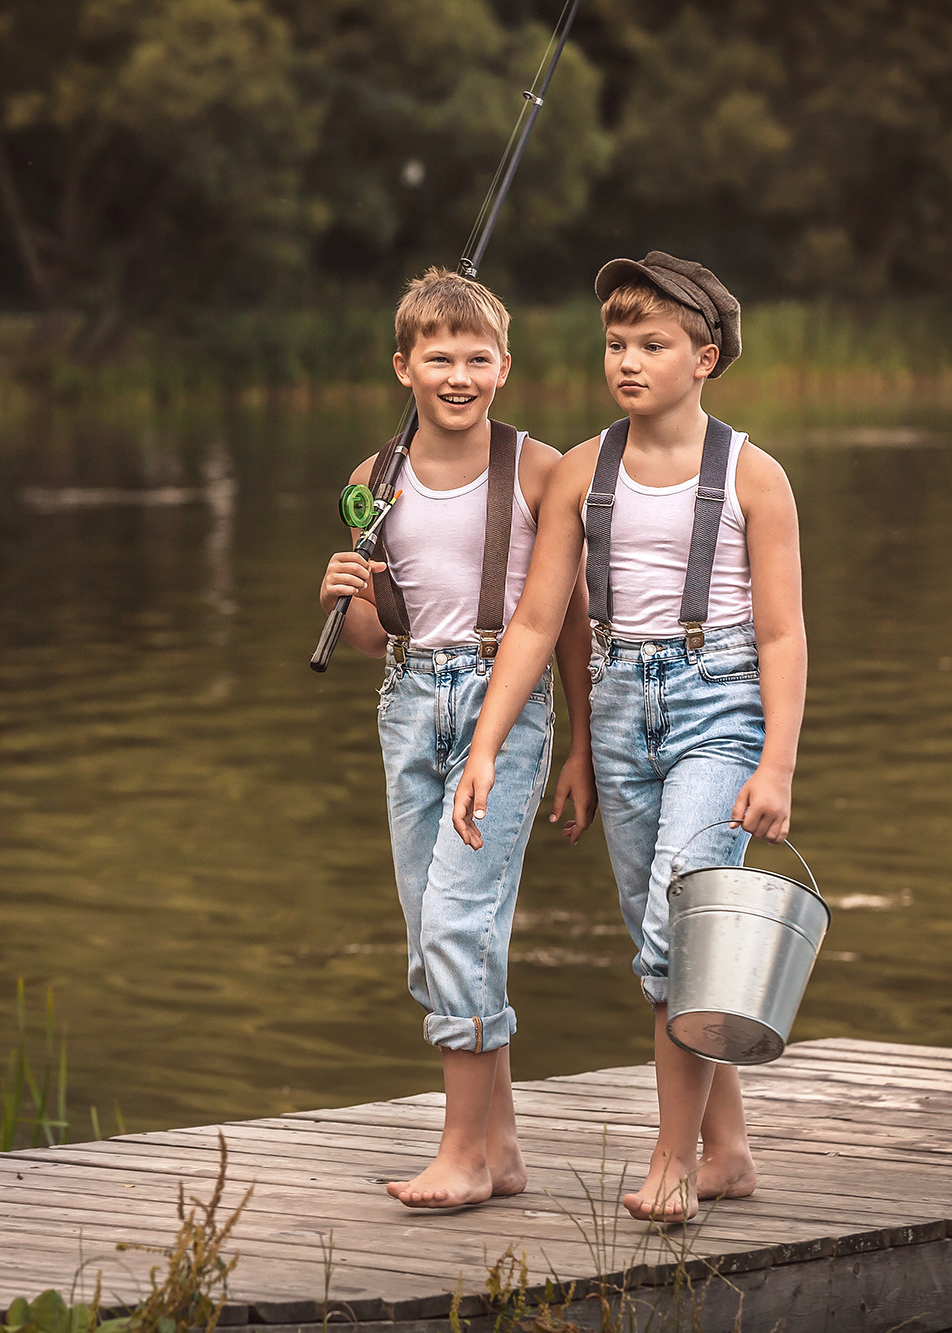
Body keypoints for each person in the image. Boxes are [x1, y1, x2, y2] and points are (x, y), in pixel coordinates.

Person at [450, 252, 807, 1224]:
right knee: (662, 951)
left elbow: (780, 632)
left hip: (719, 710)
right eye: (615, 343)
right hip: (617, 714)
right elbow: (534, 620)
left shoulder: (752, 476)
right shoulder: (579, 471)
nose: (627, 360)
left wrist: (774, 763)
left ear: (705, 357)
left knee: (678, 935)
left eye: (650, 344)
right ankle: (728, 1147)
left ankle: (673, 1161)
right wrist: (491, 744)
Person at [318, 267, 596, 1209]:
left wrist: (582, 745)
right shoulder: (372, 481)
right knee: (430, 934)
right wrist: (345, 597)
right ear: (404, 366)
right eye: (439, 357)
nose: (459, 374)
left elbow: (570, 618)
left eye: (478, 357)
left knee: (457, 925)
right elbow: (371, 640)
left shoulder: (538, 469)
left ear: (505, 367)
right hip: (407, 703)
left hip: (504, 710)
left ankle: (463, 1154)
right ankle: (503, 1145)